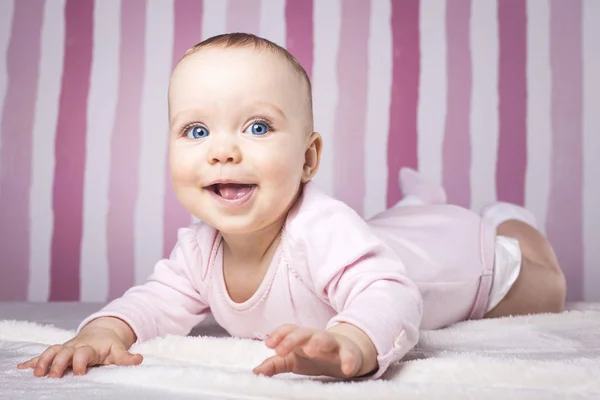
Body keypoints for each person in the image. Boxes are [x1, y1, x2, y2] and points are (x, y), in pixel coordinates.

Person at [17, 33, 566, 380]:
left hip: (460, 259)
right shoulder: (200, 250)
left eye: (258, 127)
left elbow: (387, 292)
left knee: (546, 285)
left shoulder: (319, 228)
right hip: (389, 234)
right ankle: (418, 202)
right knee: (386, 230)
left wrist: (353, 340)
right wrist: (102, 333)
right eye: (196, 129)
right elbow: (153, 302)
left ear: (308, 159)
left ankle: (506, 217)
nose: (223, 149)